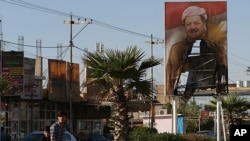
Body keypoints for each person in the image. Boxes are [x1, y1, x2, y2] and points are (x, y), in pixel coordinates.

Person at [166, 5, 227, 98]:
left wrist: (221, 89)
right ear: (185, 27)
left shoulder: (216, 47)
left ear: (204, 24)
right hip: (186, 88)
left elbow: (224, 69)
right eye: (188, 24)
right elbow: (170, 73)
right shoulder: (177, 48)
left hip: (212, 86)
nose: (192, 27)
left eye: (196, 23)